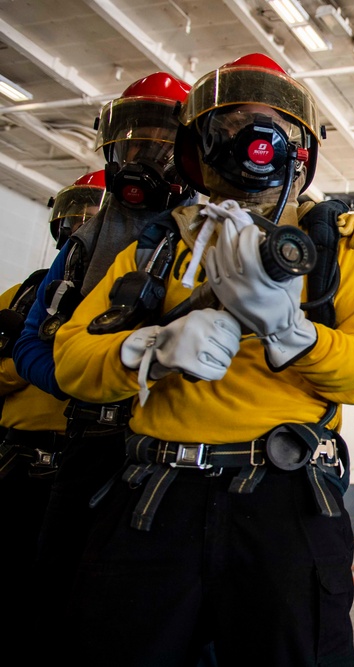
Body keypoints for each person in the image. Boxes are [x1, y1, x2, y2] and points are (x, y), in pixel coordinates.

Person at [51, 53, 354, 667]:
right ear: (199, 146)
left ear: (300, 150)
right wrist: (149, 350)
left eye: (276, 129)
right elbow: (71, 359)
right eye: (233, 124)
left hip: (285, 503)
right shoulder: (155, 248)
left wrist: (296, 333)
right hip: (154, 500)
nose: (255, 143)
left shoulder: (341, 253)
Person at [14, 72, 195, 591]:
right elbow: (32, 342)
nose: (144, 158)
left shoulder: (209, 233)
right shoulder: (85, 243)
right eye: (134, 142)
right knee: (59, 585)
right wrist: (84, 380)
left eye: (161, 146)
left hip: (173, 445)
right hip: (91, 438)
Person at [0, 170, 106, 653]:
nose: (79, 222)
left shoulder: (124, 284)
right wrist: (29, 354)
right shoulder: (25, 293)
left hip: (93, 457)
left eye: (92, 211)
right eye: (73, 210)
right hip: (17, 462)